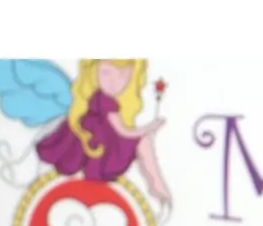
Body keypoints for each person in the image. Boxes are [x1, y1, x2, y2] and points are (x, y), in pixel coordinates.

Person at [37, 59, 172, 206]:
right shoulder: (106, 101)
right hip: (100, 145)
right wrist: (150, 127)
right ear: (93, 72)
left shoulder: (102, 98)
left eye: (123, 75)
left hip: (101, 141)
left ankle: (156, 184)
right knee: (143, 141)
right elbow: (123, 131)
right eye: (106, 73)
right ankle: (156, 185)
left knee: (143, 141)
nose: (114, 82)